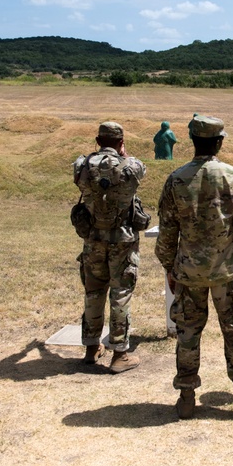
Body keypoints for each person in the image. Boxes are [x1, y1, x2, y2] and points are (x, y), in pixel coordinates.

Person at [155, 115, 233, 421]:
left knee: (188, 333)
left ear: (193, 141)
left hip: (189, 272)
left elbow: (167, 229)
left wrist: (169, 265)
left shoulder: (176, 179)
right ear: (219, 142)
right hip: (227, 272)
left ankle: (186, 398)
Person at [73, 121, 147, 373]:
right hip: (122, 242)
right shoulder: (131, 166)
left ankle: (91, 348)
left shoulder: (81, 165)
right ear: (120, 142)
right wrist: (123, 155)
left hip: (93, 240)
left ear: (97, 140)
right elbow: (139, 169)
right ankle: (120, 354)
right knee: (120, 294)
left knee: (93, 294)